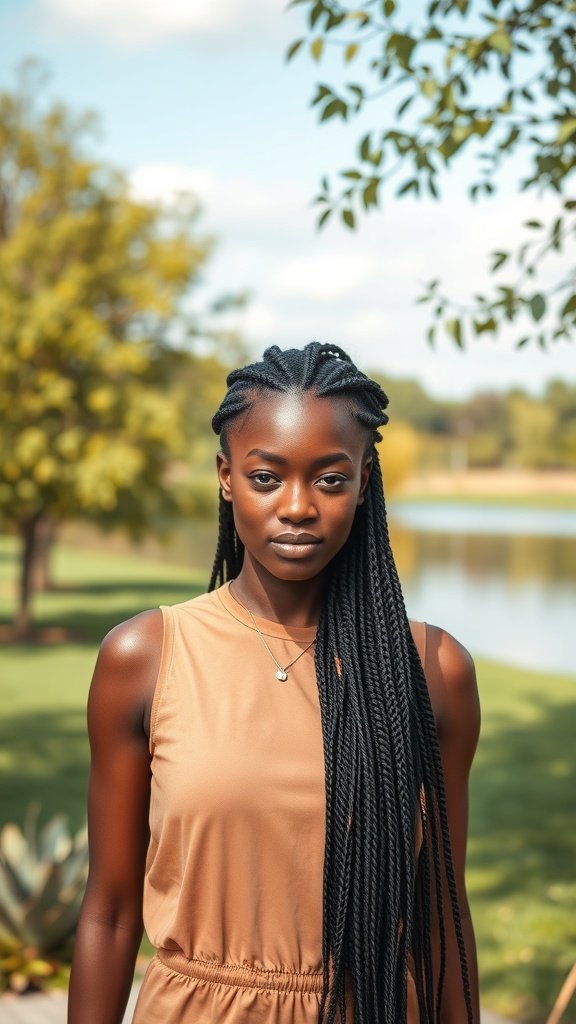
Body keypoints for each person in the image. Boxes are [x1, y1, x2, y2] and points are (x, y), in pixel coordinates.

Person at [68, 342, 480, 1024]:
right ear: (226, 476)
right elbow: (108, 915)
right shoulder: (144, 657)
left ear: (364, 480)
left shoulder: (432, 672)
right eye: (267, 478)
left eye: (329, 479)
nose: (297, 507)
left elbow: (443, 917)